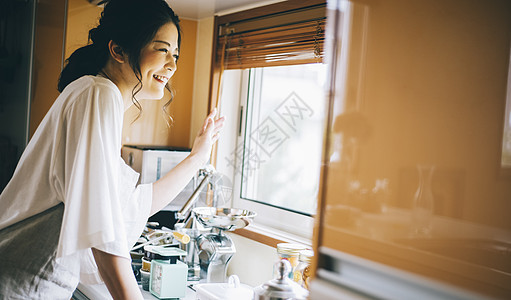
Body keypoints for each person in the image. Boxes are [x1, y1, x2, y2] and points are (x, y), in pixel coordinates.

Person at [0, 0, 224, 298]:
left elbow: (135, 205)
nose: (172, 65)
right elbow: (102, 228)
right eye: (162, 49)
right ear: (118, 49)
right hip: (20, 284)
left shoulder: (93, 93)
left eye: (176, 54)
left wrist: (198, 156)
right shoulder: (99, 95)